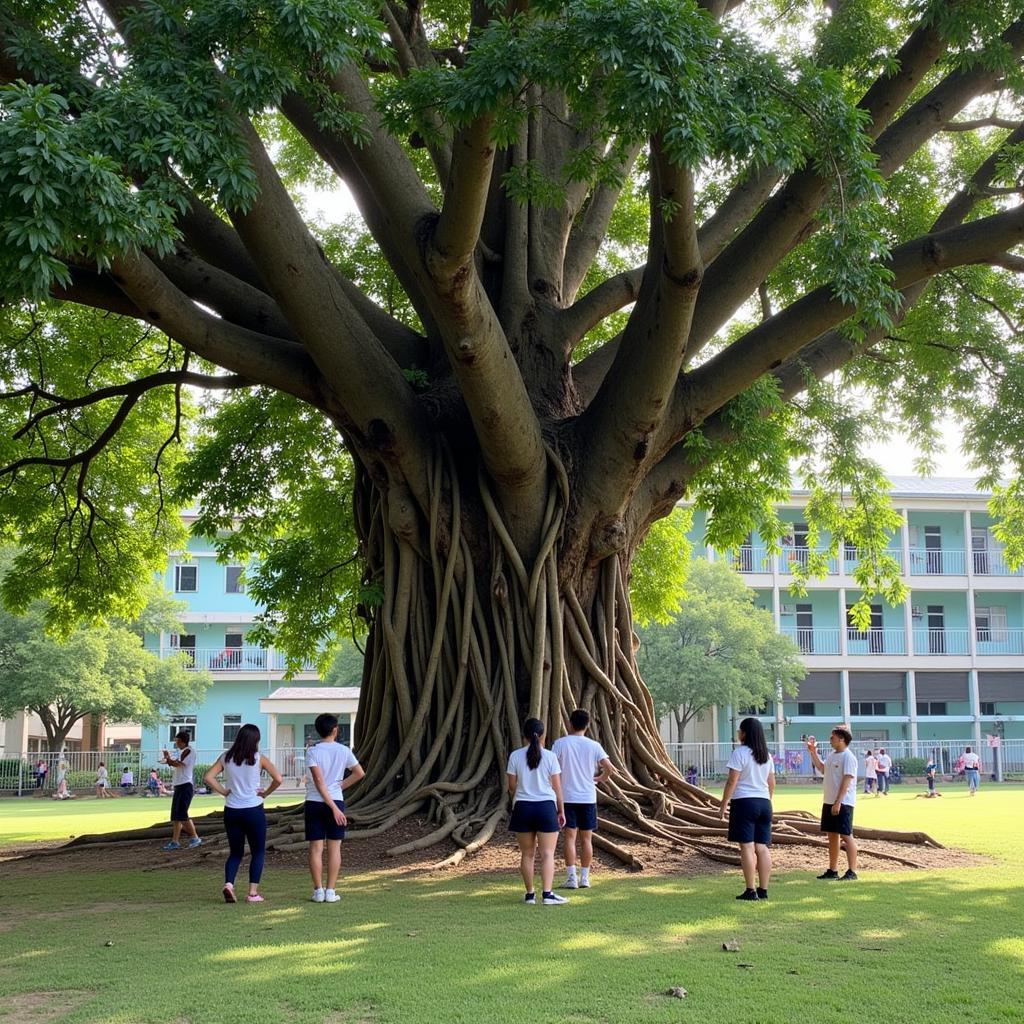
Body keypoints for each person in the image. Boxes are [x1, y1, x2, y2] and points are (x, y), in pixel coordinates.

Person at [204, 724, 283, 904]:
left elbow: (208, 777)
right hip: (253, 808)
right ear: (256, 740)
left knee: (235, 852)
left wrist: (224, 791)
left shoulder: (226, 758)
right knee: (258, 852)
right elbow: (278, 779)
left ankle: (229, 884)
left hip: (232, 810)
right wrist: (266, 793)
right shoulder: (259, 758)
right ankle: (252, 893)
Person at [304, 713, 365, 904]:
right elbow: (359, 773)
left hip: (314, 802)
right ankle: (331, 890)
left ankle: (319, 890)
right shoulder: (343, 750)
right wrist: (339, 789)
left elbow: (318, 782)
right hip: (335, 803)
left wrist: (333, 795)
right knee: (334, 848)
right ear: (335, 730)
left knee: (315, 848)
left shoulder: (313, 752)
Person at [507, 718, 568, 906]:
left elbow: (511, 786)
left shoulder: (515, 756)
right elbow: (557, 788)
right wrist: (561, 811)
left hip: (523, 808)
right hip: (545, 808)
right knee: (548, 854)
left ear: (524, 735)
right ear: (542, 735)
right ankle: (548, 894)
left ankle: (530, 895)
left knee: (527, 854)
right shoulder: (550, 757)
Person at [551, 709, 613, 890]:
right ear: (588, 725)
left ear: (570, 723)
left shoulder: (560, 744)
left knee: (569, 837)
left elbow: (551, 766)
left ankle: (572, 878)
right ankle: (585, 878)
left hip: (567, 797)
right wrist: (601, 778)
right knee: (587, 839)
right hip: (587, 797)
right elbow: (608, 767)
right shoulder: (594, 745)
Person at [719, 717, 774, 901]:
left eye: (739, 731)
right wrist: (768, 799)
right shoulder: (767, 755)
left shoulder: (739, 753)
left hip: (744, 802)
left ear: (744, 733)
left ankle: (751, 890)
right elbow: (771, 781)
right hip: (764, 802)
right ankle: (763, 889)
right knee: (763, 848)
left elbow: (732, 781)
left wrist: (724, 803)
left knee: (747, 847)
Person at [806, 728, 858, 881]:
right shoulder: (832, 755)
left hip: (843, 802)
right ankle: (833, 869)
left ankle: (852, 871)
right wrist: (813, 752)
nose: (830, 739)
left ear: (841, 739)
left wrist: (838, 802)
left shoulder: (848, 757)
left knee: (846, 836)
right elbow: (822, 768)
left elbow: (847, 781)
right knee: (832, 836)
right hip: (829, 801)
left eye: (832, 737)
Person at [161, 732, 202, 850]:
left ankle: (195, 837)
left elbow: (179, 764)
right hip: (179, 785)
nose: (176, 743)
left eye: (177, 741)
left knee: (182, 814)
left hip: (185, 785)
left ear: (183, 741)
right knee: (176, 815)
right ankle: (175, 841)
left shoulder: (189, 751)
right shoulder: (182, 752)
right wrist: (169, 759)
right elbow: (176, 763)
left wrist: (168, 759)